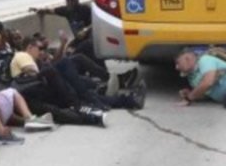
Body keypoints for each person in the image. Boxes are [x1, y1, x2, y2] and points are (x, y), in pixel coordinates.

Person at [30, 0, 140, 88]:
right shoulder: (66, 10)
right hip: (75, 44)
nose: (69, 3)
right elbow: (51, 10)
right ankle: (109, 77)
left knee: (88, 48)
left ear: (76, 1)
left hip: (89, 36)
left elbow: (96, 20)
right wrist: (39, 9)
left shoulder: (84, 9)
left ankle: (108, 77)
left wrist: (85, 29)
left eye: (71, 1)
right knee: (75, 53)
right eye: (67, 1)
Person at [12, 36, 145, 111]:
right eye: (39, 48)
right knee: (67, 63)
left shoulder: (36, 59)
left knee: (85, 89)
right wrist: (46, 65)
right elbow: (32, 72)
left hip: (52, 87)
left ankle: (129, 100)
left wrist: (45, 61)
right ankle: (96, 94)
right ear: (29, 47)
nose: (41, 51)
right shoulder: (22, 55)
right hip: (41, 87)